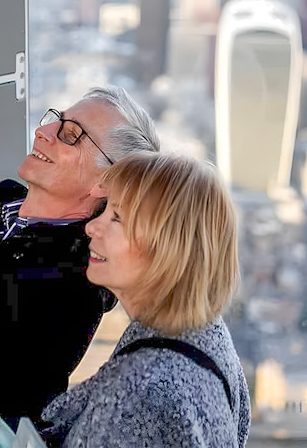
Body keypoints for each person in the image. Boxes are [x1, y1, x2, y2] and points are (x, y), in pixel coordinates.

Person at [0, 85, 160, 447]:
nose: (43, 132)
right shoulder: (3, 201)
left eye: (70, 135)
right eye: (55, 121)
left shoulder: (73, 279)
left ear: (105, 183)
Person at [40, 152, 251, 447]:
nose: (92, 227)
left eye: (116, 217)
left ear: (168, 247)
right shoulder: (207, 336)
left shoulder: (141, 388)